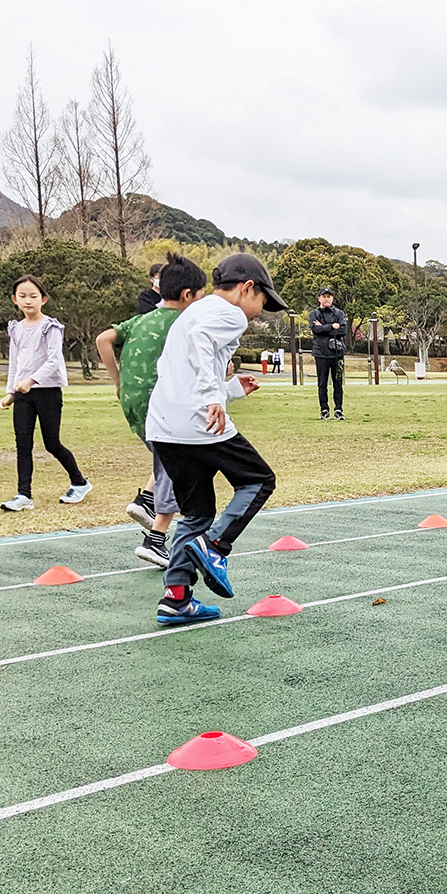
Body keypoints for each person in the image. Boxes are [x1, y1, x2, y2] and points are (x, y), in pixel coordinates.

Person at [146, 252, 287, 625]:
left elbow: (182, 365)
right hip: (198, 422)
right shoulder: (229, 313)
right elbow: (201, 342)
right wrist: (212, 396)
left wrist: (228, 390)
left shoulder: (193, 310)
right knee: (258, 480)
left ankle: (176, 598)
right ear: (247, 289)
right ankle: (215, 547)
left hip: (163, 425)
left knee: (195, 513)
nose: (259, 311)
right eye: (261, 302)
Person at [96, 252, 206, 568]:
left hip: (132, 403)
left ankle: (145, 501)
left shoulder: (141, 319)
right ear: (188, 295)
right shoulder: (185, 323)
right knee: (178, 461)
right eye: (200, 295)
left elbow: (103, 339)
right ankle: (156, 539)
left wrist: (118, 381)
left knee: (167, 458)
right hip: (161, 406)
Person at [0, 275, 92, 511]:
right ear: (14, 300)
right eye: (22, 296)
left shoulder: (50, 327)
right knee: (23, 444)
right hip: (22, 394)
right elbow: (15, 363)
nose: (28, 301)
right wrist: (11, 392)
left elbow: (54, 360)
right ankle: (23, 495)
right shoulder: (16, 329)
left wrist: (31, 380)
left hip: (47, 392)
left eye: (33, 296)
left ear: (44, 299)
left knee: (52, 443)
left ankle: (79, 483)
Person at [310, 286, 347, 418]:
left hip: (337, 353)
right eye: (324, 296)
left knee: (338, 383)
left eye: (329, 296)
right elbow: (315, 329)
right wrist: (332, 326)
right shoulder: (314, 314)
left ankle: (338, 409)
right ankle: (324, 410)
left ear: (332, 298)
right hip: (320, 353)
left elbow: (343, 330)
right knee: (322, 383)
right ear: (319, 298)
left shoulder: (339, 314)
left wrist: (323, 327)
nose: (326, 299)